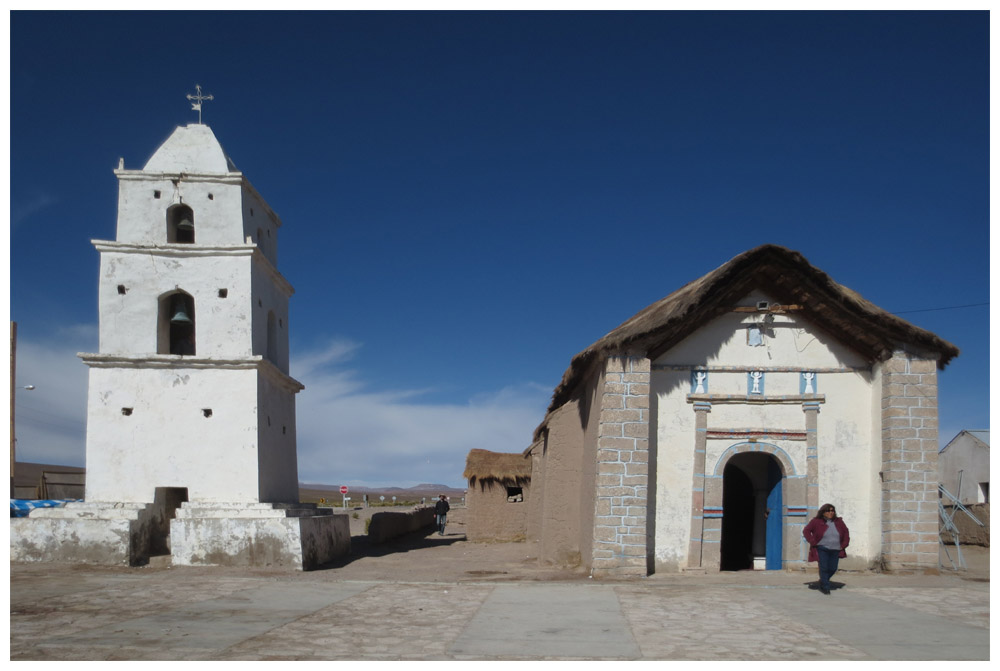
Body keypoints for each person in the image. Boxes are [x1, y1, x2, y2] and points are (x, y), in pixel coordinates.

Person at [802, 503, 850, 595]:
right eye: (828, 511)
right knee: (824, 567)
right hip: (822, 548)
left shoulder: (838, 522)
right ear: (823, 512)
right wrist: (812, 541)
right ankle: (825, 587)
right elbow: (806, 530)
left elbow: (846, 532)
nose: (830, 513)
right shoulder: (816, 521)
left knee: (833, 568)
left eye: (832, 511)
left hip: (836, 549)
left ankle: (823, 580)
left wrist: (844, 544)